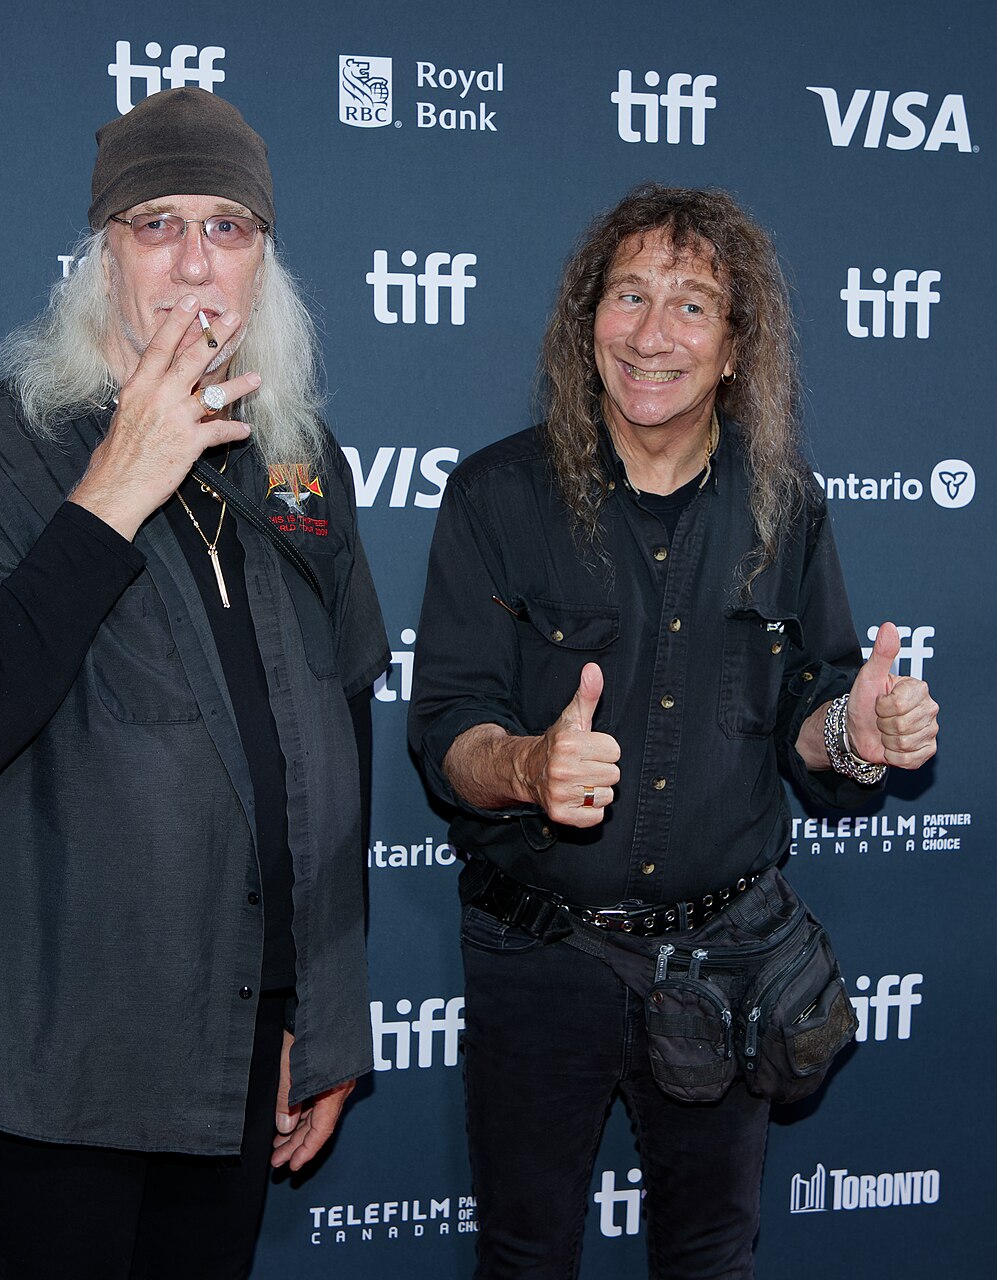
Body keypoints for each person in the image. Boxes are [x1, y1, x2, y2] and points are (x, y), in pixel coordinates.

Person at [0, 88, 388, 1278]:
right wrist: (118, 482)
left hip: (245, 1035)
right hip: (67, 1056)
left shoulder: (300, 460)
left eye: (228, 227)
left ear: (264, 260)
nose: (194, 262)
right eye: (157, 224)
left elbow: (341, 741)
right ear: (101, 255)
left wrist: (316, 1014)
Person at [408, 183, 939, 1279]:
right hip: (538, 954)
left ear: (736, 347)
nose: (653, 334)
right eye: (630, 296)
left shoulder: (786, 505)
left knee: (710, 1257)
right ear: (586, 323)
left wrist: (856, 733)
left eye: (693, 305)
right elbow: (447, 728)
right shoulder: (495, 497)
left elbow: (810, 724)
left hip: (724, 957)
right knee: (523, 1258)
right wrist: (529, 766)